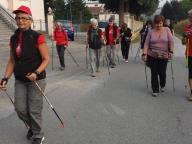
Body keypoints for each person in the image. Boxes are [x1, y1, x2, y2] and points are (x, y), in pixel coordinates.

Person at [0, 5, 49, 144]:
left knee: (34, 109)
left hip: (36, 80)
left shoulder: (37, 37)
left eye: (23, 18)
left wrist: (36, 72)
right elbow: (11, 61)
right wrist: (5, 78)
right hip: (20, 80)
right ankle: (33, 127)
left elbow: (46, 59)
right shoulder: (13, 38)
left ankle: (38, 134)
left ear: (30, 20)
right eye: (18, 18)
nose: (20, 20)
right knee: (19, 108)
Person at [142, 15, 174, 97]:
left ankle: (162, 84)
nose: (158, 25)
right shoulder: (151, 31)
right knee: (154, 73)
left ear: (162, 22)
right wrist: (144, 54)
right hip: (153, 55)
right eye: (157, 23)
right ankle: (155, 90)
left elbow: (171, 41)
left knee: (162, 73)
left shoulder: (167, 30)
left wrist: (171, 51)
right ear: (154, 23)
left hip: (164, 55)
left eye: (160, 23)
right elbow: (146, 43)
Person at [182, 9, 192, 101]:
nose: (189, 18)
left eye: (190, 16)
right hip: (189, 53)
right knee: (191, 73)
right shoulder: (187, 27)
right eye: (189, 16)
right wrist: (184, 37)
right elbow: (183, 42)